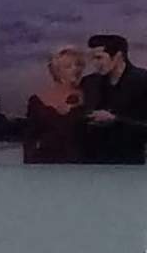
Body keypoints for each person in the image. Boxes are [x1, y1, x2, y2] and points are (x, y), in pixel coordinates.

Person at [83, 35, 147, 165]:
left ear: (118, 56)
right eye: (92, 58)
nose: (95, 64)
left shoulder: (143, 81)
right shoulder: (89, 82)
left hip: (129, 161)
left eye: (99, 58)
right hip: (93, 161)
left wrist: (115, 120)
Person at [27, 45, 91, 163]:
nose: (75, 69)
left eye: (78, 65)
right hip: (45, 164)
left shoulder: (90, 96)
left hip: (80, 164)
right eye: (68, 66)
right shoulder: (37, 100)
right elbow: (30, 138)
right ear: (56, 71)